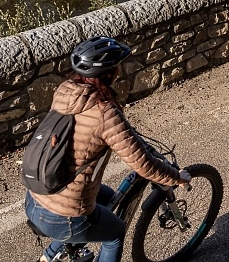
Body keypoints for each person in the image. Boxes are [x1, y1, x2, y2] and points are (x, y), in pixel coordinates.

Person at [25, 37, 190, 262]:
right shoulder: (104, 112)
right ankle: (68, 241)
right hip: (62, 216)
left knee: (110, 198)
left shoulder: (66, 91)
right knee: (115, 232)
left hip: (37, 196)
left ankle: (51, 255)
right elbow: (142, 163)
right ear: (109, 73)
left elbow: (90, 133)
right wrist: (175, 177)